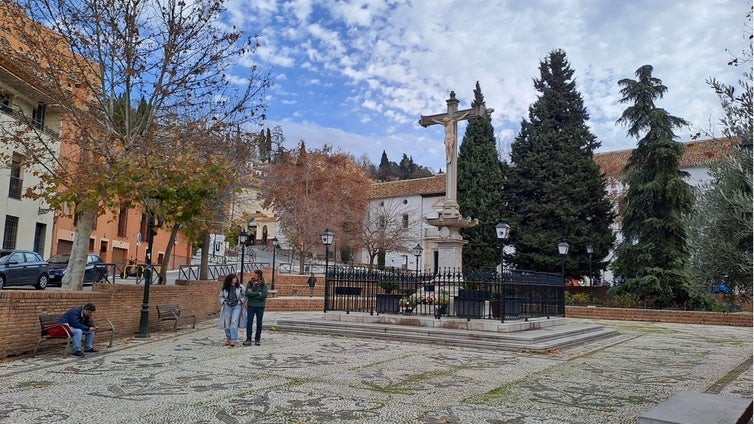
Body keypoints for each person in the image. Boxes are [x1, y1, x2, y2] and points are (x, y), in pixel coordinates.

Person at [217, 273, 246, 347]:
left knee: (234, 322)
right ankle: (228, 338)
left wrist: (241, 301)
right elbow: (220, 296)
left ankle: (233, 340)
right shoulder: (225, 288)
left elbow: (245, 295)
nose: (235, 279)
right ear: (230, 279)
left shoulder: (240, 287)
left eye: (236, 278)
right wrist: (224, 302)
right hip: (227, 306)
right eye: (234, 278)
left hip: (237, 306)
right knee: (227, 323)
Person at [243, 269, 268, 346]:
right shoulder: (250, 283)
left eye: (255, 275)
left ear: (259, 276)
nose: (253, 276)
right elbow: (247, 293)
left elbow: (264, 295)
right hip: (251, 306)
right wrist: (257, 293)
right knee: (249, 322)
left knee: (259, 323)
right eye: (253, 275)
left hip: (260, 306)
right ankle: (248, 339)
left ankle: (257, 338)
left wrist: (253, 295)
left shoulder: (263, 284)